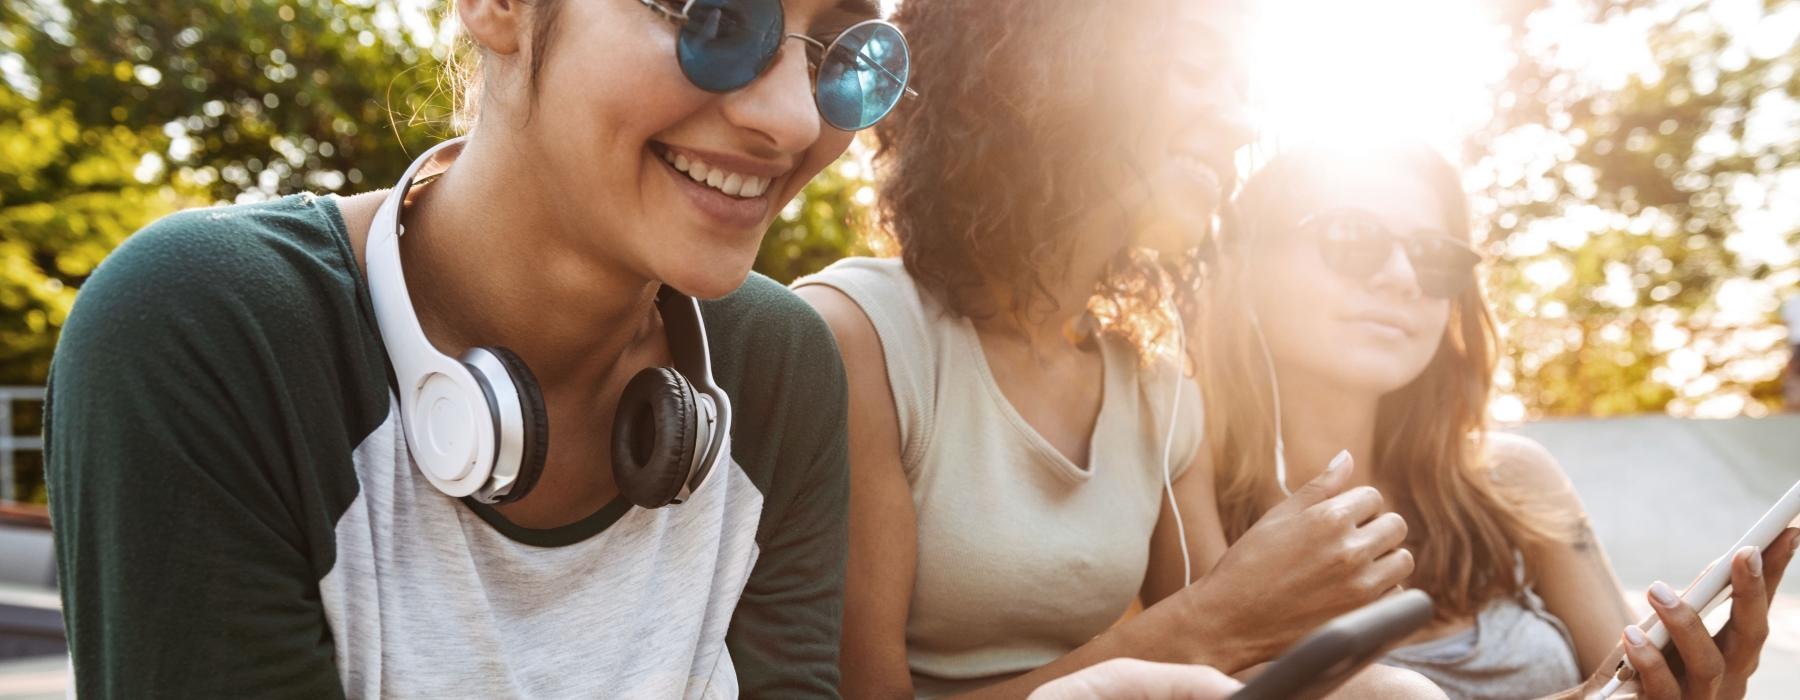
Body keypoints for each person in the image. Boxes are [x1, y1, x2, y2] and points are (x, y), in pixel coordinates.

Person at [45, 0, 914, 696]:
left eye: (837, 50)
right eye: (712, 18)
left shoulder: (780, 367)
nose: (794, 120)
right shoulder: (206, 332)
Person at [793, 1, 1431, 697]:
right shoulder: (859, 338)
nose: (1242, 123)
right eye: (1197, 68)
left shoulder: (1156, 379)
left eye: (1243, 87)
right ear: (1041, 71)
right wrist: (1206, 622)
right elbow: (1210, 630)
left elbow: (1235, 660)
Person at [1193, 141, 1800, 700]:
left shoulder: (1511, 479)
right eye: (1353, 238)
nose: (1404, 278)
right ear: (1248, 266)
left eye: (1435, 257)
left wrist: (1705, 685)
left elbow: (1614, 683)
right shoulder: (1182, 485)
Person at [1783, 293, 1800, 411]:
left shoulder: (1793, 300)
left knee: (1794, 373)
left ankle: (1794, 402)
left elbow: (1787, 322)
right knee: (1793, 373)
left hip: (1795, 340)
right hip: (1796, 340)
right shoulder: (1793, 300)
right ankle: (1794, 402)